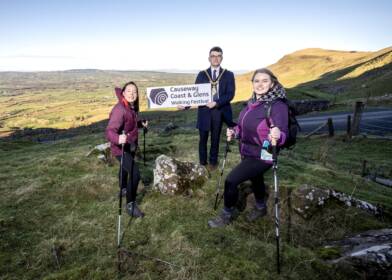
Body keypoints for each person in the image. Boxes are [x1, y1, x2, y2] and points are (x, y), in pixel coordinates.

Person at [208, 68, 289, 228]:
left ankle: (226, 214)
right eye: (257, 81)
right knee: (256, 178)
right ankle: (260, 207)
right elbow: (242, 126)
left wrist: (278, 135)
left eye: (265, 81)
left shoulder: (277, 105)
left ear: (272, 83)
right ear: (252, 83)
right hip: (247, 151)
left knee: (231, 181)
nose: (260, 84)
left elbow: (283, 133)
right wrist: (235, 132)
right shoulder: (252, 103)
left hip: (263, 154)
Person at [180, 46, 235, 170]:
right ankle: (202, 163)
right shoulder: (202, 74)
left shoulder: (228, 75)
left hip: (219, 111)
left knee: (215, 139)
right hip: (204, 112)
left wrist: (216, 103)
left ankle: (213, 162)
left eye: (218, 56)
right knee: (203, 139)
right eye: (213, 56)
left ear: (222, 58)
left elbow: (230, 94)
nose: (215, 58)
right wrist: (185, 105)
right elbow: (195, 93)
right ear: (209, 58)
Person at [106, 81, 148, 218]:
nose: (132, 94)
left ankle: (124, 188)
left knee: (125, 168)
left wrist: (141, 124)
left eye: (134, 91)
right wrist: (118, 139)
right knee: (135, 174)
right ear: (123, 93)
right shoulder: (120, 109)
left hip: (129, 145)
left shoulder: (131, 106)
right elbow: (110, 131)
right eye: (129, 91)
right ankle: (130, 204)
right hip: (120, 148)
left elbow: (131, 124)